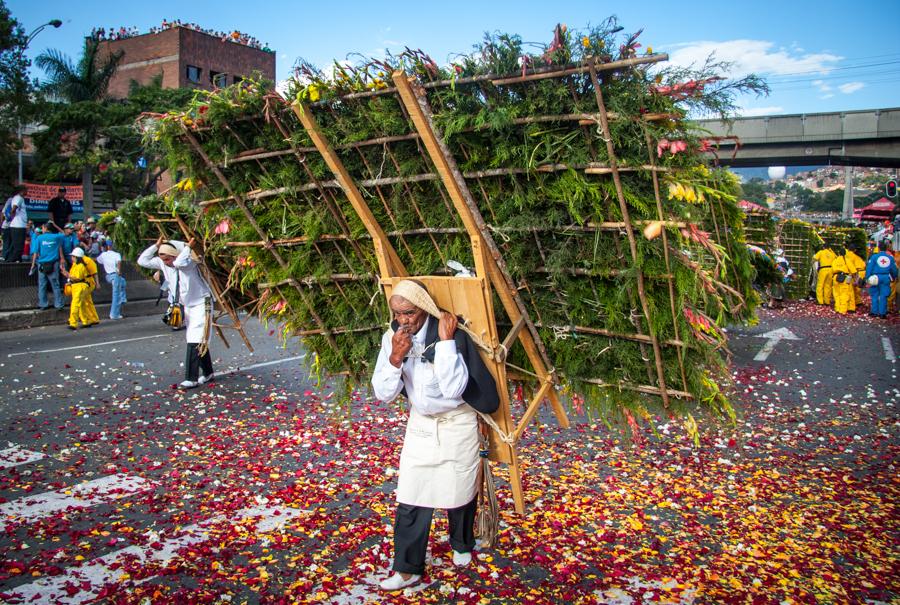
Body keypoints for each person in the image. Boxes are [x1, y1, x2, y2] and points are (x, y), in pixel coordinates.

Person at [371, 280, 499, 592]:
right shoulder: (393, 338)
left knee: (460, 489)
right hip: (421, 423)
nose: (404, 320)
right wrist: (395, 359)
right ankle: (406, 569)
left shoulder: (449, 331)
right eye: (398, 314)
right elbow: (383, 394)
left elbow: (456, 388)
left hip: (458, 421)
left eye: (409, 313)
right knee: (412, 493)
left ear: (424, 309)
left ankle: (462, 543)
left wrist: (444, 342)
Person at [138, 237, 214, 388]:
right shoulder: (162, 263)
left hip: (201, 303)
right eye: (163, 259)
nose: (166, 263)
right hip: (187, 305)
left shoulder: (188, 262)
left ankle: (191, 378)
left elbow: (179, 262)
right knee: (197, 338)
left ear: (175, 255)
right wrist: (156, 246)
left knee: (195, 339)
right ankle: (208, 372)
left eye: (168, 259)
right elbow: (142, 261)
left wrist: (187, 247)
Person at [29, 224, 66, 310]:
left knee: (42, 285)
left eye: (42, 228)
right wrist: (55, 225)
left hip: (42, 264)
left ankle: (43, 304)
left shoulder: (39, 238)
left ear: (46, 228)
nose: (42, 229)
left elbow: (35, 252)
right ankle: (58, 304)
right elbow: (64, 233)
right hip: (54, 264)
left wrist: (33, 264)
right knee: (55, 284)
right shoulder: (57, 237)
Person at [65, 248, 96, 330]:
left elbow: (78, 278)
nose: (72, 258)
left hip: (80, 286)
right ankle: (86, 321)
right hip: (77, 286)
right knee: (81, 305)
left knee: (75, 304)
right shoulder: (76, 265)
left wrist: (67, 275)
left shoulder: (80, 266)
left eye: (73, 256)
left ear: (77, 257)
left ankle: (73, 323)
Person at [866, 239, 898, 318]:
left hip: (875, 277)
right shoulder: (890, 258)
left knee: (874, 295)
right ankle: (882, 313)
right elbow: (894, 269)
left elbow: (869, 268)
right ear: (886, 248)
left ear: (879, 248)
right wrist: (894, 277)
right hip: (885, 277)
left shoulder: (874, 257)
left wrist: (867, 277)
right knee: (884, 295)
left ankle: (874, 312)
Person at [96, 240, 126, 320]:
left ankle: (122, 299)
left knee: (123, 282)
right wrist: (119, 271)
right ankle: (114, 314)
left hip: (109, 276)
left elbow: (98, 260)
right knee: (116, 294)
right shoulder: (116, 254)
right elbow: (119, 262)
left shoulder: (103, 255)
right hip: (115, 275)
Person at [4, 186, 27, 261]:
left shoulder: (17, 198)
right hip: (18, 226)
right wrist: (12, 215)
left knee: (15, 245)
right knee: (18, 247)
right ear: (21, 191)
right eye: (26, 190)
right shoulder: (19, 198)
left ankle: (15, 259)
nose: (27, 192)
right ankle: (11, 261)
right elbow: (14, 208)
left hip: (18, 225)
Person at [831, 246, 853, 315]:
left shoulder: (835, 260)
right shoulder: (846, 260)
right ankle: (842, 310)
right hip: (844, 277)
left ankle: (837, 308)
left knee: (836, 293)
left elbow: (831, 270)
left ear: (839, 253)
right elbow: (853, 270)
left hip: (835, 277)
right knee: (844, 294)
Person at [844, 247, 867, 311]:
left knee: (854, 288)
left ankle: (855, 301)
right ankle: (857, 301)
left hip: (853, 272)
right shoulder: (856, 257)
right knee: (857, 288)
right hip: (860, 272)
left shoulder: (846, 255)